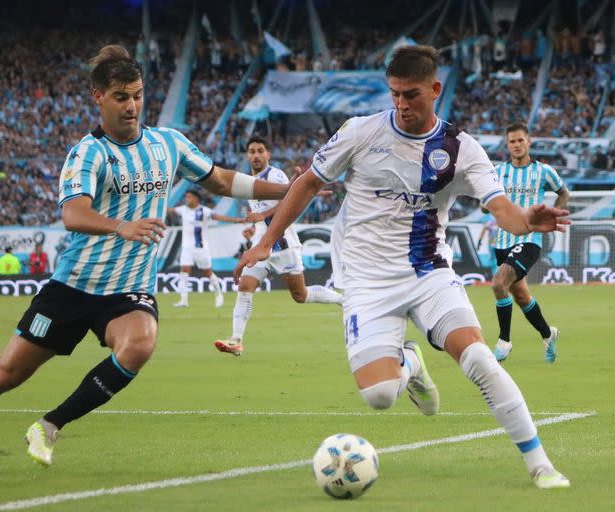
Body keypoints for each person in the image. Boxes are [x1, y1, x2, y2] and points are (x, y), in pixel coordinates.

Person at [0, 44, 292, 477]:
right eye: (121, 97)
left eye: (137, 95)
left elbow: (224, 181)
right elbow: (72, 213)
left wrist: (294, 188)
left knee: (141, 343)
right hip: (73, 286)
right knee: (4, 375)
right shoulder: (88, 153)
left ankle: (50, 425)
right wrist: (120, 226)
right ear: (98, 96)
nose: (132, 106)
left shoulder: (168, 143)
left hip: (128, 289)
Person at [235, 45, 572, 489]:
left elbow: (501, 206)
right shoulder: (359, 132)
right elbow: (309, 182)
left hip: (428, 273)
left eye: (410, 94)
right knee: (379, 396)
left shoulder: (460, 148)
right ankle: (410, 362)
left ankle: (540, 465)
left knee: (479, 360)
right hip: (365, 281)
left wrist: (527, 220)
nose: (400, 104)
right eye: (393, 94)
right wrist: (265, 241)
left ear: (435, 89)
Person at [214, 136, 343, 357]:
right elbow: (261, 217)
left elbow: (289, 201)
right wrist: (254, 229)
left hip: (283, 244)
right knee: (245, 286)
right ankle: (236, 340)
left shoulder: (275, 175)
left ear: (268, 154)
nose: (256, 155)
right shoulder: (251, 183)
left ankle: (344, 300)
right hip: (261, 246)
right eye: (252, 151)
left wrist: (262, 215)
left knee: (300, 295)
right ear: (247, 155)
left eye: (260, 151)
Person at [490, 122, 570, 363]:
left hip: (529, 239)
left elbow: (564, 193)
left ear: (529, 142)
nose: (516, 145)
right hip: (503, 241)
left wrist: (552, 214)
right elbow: (485, 203)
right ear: (507, 144)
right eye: (512, 141)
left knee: (497, 283)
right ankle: (548, 334)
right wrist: (488, 205)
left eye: (520, 140)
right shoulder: (498, 171)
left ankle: (504, 340)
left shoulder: (544, 171)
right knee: (521, 296)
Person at [169, 189, 243, 308]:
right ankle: (184, 300)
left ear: (196, 198)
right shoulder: (183, 209)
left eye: (189, 197)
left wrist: (235, 220)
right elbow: (169, 210)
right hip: (187, 247)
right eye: (186, 197)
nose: (186, 199)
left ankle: (219, 295)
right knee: (184, 270)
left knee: (207, 272)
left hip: (201, 247)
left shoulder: (204, 211)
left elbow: (218, 217)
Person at [477, 213, 499, 279]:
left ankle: (495, 276)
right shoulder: (497, 218)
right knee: (496, 260)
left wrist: (479, 241)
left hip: (494, 245)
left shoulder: (490, 219)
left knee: (493, 260)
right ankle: (496, 276)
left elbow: (484, 229)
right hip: (497, 244)